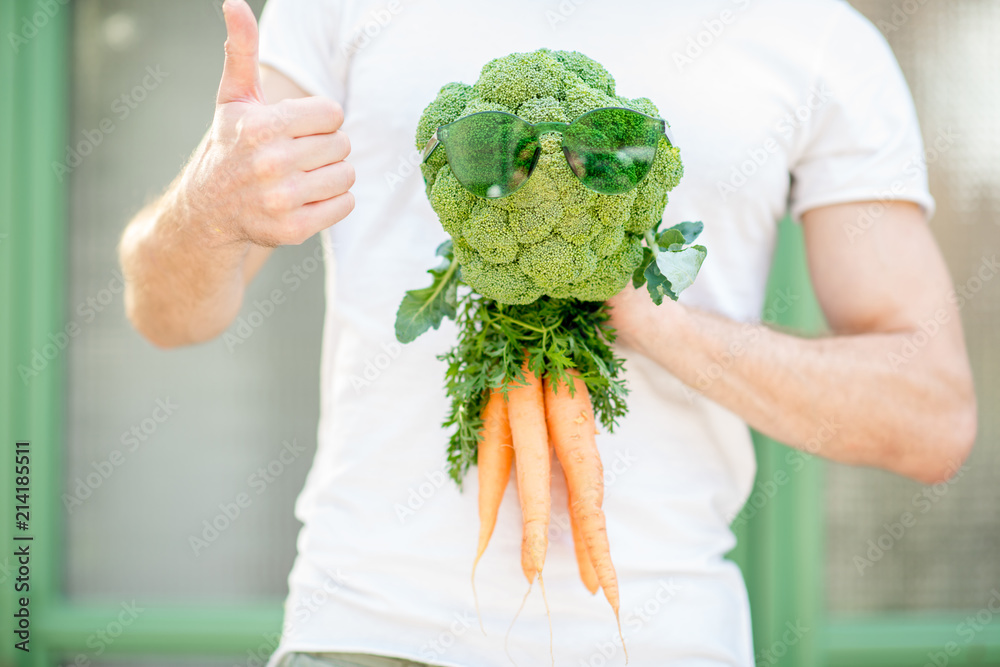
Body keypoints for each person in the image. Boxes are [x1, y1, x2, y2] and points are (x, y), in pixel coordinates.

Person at [118, 0, 977, 665]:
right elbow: (166, 312)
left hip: (666, 640)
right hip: (365, 627)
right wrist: (208, 207)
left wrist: (649, 313)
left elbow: (930, 416)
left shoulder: (815, 35)